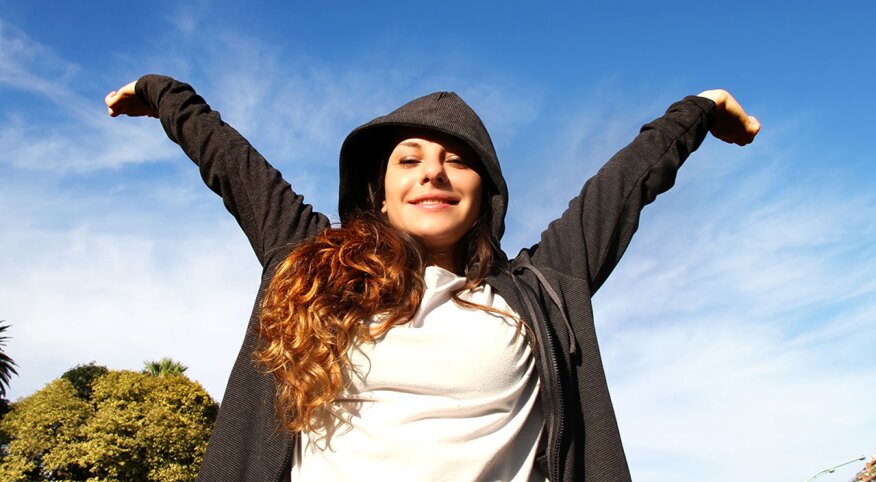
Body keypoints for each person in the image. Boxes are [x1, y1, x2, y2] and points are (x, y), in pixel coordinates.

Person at [105, 75, 759, 482]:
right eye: (409, 158)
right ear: (380, 194)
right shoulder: (308, 265)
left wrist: (698, 109)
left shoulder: (542, 286)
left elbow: (625, 184)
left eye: (457, 161)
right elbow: (233, 162)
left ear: (485, 194)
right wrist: (164, 92)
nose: (433, 173)